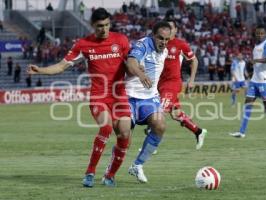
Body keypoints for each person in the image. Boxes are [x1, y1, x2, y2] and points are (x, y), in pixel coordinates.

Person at [27, 7, 132, 187]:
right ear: (93, 25)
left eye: (107, 25)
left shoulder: (121, 40)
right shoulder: (83, 44)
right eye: (100, 26)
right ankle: (90, 172)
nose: (104, 29)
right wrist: (41, 70)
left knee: (124, 135)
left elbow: (132, 62)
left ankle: (110, 175)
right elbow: (61, 66)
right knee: (106, 128)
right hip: (99, 97)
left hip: (120, 96)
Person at [125, 21, 171, 183]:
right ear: (153, 36)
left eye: (167, 39)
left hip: (149, 98)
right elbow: (131, 62)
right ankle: (110, 171)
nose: (164, 42)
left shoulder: (165, 52)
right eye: (160, 38)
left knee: (160, 126)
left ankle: (137, 165)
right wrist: (140, 74)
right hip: (129, 96)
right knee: (124, 136)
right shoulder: (143, 44)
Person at [229, 25, 266, 140]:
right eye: (258, 33)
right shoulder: (256, 45)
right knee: (248, 102)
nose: (260, 35)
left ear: (265, 34)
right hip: (255, 80)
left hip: (265, 80)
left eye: (262, 33)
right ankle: (242, 132)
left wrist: (257, 60)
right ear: (255, 35)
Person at [154, 18, 207, 150]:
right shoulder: (158, 43)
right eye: (166, 28)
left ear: (176, 30)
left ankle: (152, 144)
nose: (168, 31)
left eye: (171, 28)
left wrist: (192, 80)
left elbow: (194, 61)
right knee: (176, 114)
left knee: (159, 113)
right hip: (160, 84)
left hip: (173, 83)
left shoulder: (180, 44)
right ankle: (198, 131)